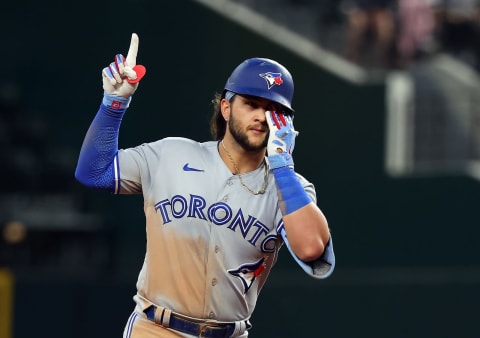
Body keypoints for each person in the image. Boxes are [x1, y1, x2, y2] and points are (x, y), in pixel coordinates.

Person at [75, 33, 335, 338]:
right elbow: (95, 172)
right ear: (226, 108)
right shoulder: (171, 154)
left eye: (273, 110)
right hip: (157, 328)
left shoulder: (291, 189)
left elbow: (312, 249)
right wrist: (114, 104)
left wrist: (283, 166)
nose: (261, 117)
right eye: (251, 104)